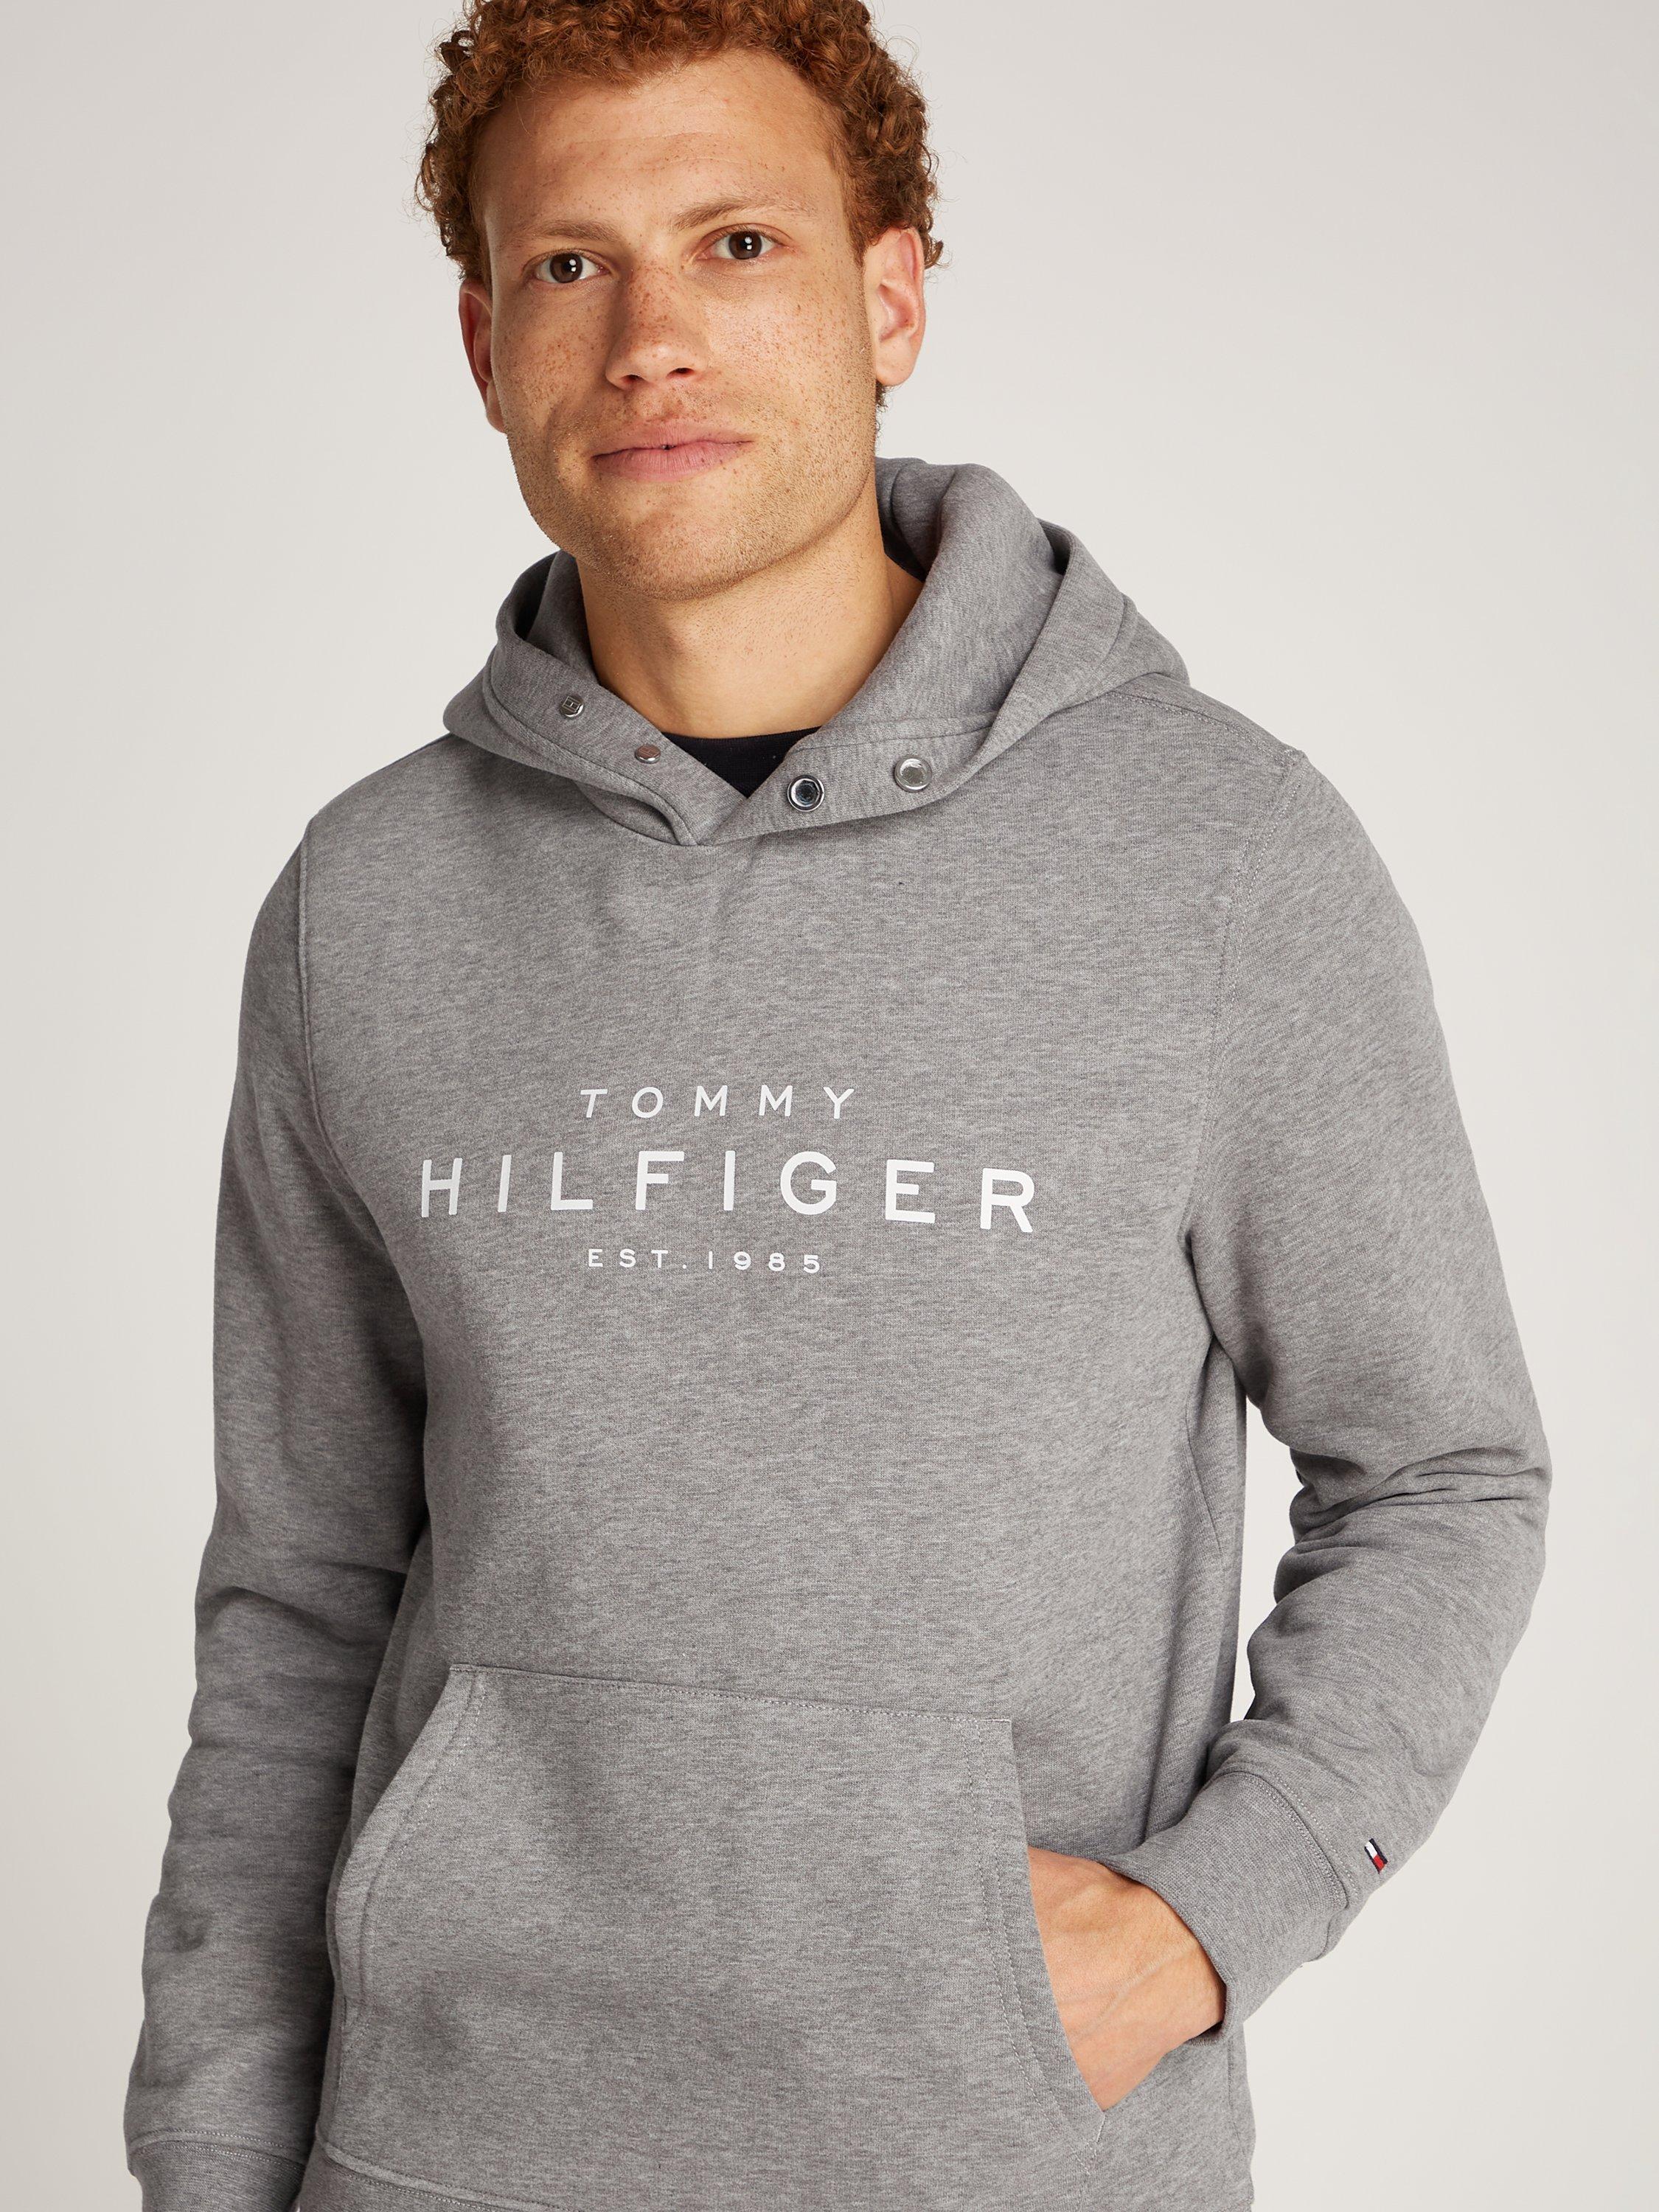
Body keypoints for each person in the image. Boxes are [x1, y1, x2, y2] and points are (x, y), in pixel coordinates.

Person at [123, 5, 1551, 2209]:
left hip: (1003, 2154)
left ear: (890, 298)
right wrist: (214, 2151)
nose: (651, 339)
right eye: (570, 265)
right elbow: (303, 1584)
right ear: (486, 343)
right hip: (439, 2154)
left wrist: (1214, 1917)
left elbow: (1442, 1467)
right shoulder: (367, 900)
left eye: (738, 243)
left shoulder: (1215, 856)